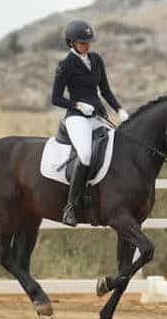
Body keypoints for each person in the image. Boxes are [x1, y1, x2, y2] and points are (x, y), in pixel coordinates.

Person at [51, 19, 129, 226]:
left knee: (116, 147)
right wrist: (77, 105)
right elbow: (55, 98)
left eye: (88, 42)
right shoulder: (65, 66)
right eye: (82, 42)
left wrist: (120, 110)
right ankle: (70, 207)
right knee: (85, 154)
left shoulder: (96, 60)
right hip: (77, 118)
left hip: (97, 116)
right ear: (71, 42)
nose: (87, 46)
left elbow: (105, 90)